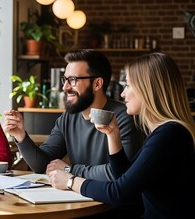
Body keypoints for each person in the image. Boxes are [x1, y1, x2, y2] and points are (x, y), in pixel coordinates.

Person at [49, 53, 195, 219]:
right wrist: (113, 136)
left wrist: (70, 181)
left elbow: (120, 193)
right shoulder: (165, 132)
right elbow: (123, 177)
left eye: (128, 85)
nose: (123, 94)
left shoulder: (169, 135)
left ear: (148, 89)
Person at [4, 49, 143, 180]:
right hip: (80, 199)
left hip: (111, 205)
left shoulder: (123, 117)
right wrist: (21, 136)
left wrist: (70, 170)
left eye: (73, 80)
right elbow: (42, 165)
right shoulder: (68, 118)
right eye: (65, 80)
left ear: (97, 84)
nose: (65, 87)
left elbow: (121, 172)